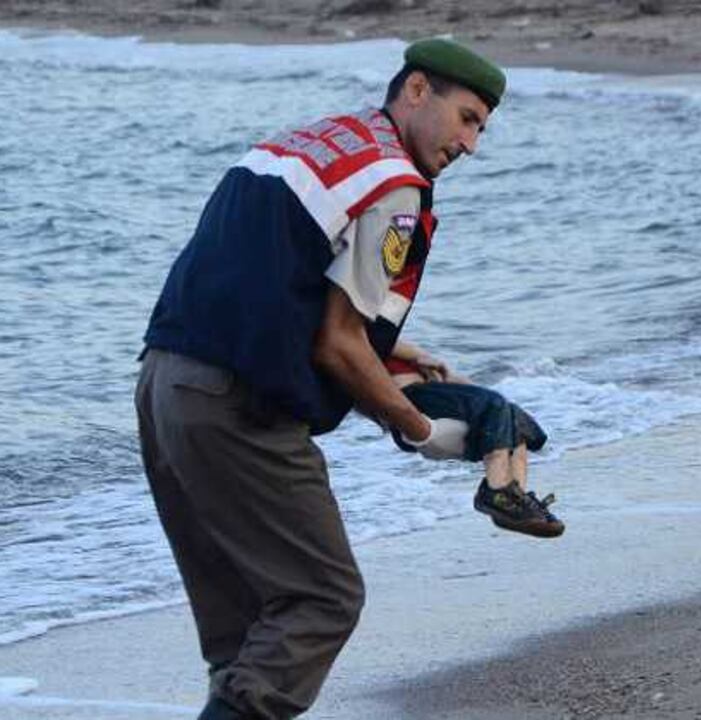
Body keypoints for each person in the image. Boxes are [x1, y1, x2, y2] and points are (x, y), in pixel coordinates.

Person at [134, 39, 546, 720]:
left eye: (481, 127)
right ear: (417, 90)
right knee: (323, 598)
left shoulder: (320, 139)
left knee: (244, 635)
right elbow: (336, 345)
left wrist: (395, 351)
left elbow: (280, 281)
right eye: (467, 117)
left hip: (163, 388)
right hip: (237, 410)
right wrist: (420, 430)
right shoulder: (396, 186)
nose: (471, 144)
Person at [382, 338, 563, 538]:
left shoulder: (393, 341)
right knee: (494, 403)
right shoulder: (370, 335)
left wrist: (490, 405)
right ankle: (496, 493)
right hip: (409, 397)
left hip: (433, 394)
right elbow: (378, 338)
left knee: (512, 416)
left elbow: (461, 386)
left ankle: (514, 501)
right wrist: (420, 356)